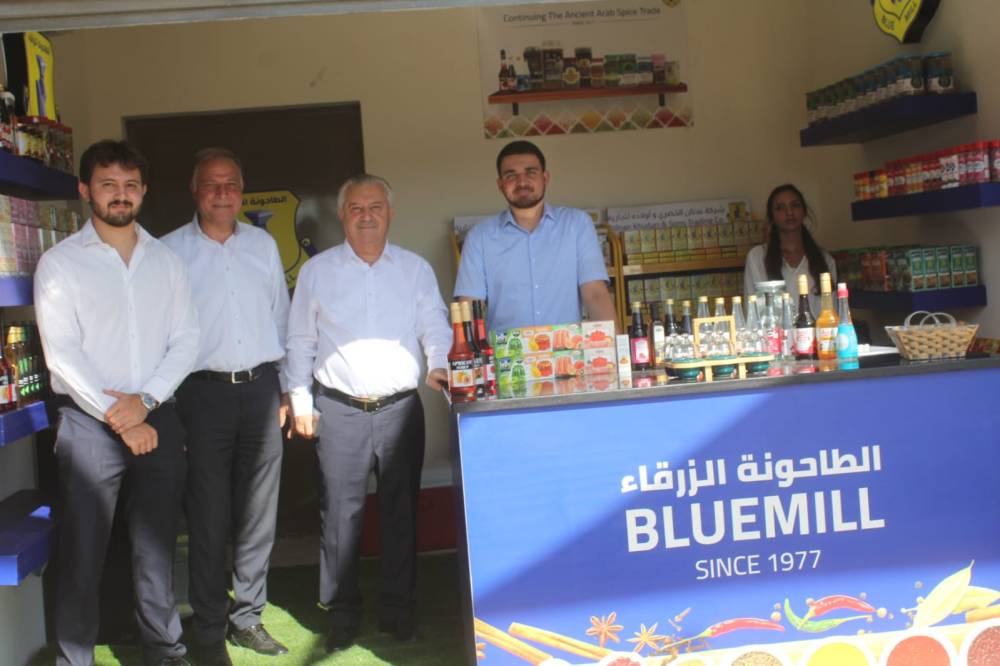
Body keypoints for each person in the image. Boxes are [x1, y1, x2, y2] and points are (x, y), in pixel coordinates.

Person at [34, 140, 200, 666]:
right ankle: (74, 658)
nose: (120, 195)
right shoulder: (60, 265)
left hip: (157, 416)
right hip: (88, 426)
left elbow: (187, 340)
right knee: (83, 550)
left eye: (130, 186)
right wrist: (123, 419)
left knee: (157, 547)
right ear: (86, 190)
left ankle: (164, 651)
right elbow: (63, 356)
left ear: (144, 192)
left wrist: (145, 402)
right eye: (108, 185)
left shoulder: (167, 262)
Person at [285, 174, 451, 652]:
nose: (366, 216)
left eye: (375, 207)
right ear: (342, 215)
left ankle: (399, 611)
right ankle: (341, 614)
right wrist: (300, 401)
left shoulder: (414, 269)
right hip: (339, 410)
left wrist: (439, 363)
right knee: (340, 517)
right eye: (356, 208)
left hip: (401, 409)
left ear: (390, 213)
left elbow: (434, 323)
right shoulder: (318, 272)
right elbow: (300, 339)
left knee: (401, 513)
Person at [161, 148, 290, 664]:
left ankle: (248, 618)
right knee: (208, 516)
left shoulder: (262, 245)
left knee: (259, 514)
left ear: (242, 191)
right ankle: (211, 627)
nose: (222, 193)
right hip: (200, 395)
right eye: (211, 184)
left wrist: (286, 390)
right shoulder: (169, 252)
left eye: (231, 183)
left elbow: (281, 318)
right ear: (195, 191)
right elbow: (160, 334)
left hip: (261, 389)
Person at [453, 140, 615, 332]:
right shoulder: (479, 237)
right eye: (511, 175)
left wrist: (615, 347)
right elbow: (470, 307)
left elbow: (595, 294)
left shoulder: (576, 224)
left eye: (530, 172)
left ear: (545, 178)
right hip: (504, 350)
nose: (522, 182)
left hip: (566, 348)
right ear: (500, 184)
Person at [743, 183, 837, 315]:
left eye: (795, 205)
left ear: (804, 211)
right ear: (772, 216)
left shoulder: (825, 259)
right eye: (780, 208)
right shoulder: (757, 258)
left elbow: (833, 313)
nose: (789, 212)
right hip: (774, 329)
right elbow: (751, 313)